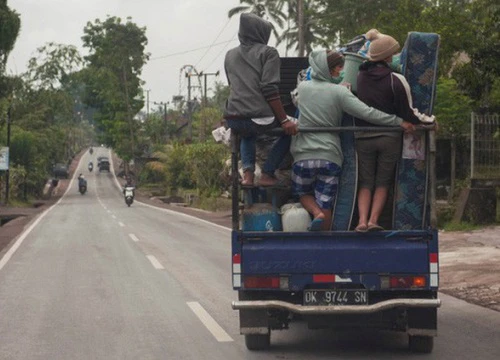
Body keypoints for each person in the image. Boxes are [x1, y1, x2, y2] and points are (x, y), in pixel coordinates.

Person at [290, 50, 416, 231]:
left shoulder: (302, 88)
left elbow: (298, 100)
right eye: (338, 68)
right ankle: (326, 236)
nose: (341, 71)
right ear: (329, 69)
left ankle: (314, 211)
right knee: (327, 203)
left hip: (302, 155)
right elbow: (367, 112)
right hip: (330, 156)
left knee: (302, 193)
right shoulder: (340, 92)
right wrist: (397, 121)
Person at [354, 35, 435, 232]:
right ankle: (374, 220)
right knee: (383, 181)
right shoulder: (396, 79)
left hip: (363, 137)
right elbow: (409, 112)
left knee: (365, 181)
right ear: (389, 56)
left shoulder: (360, 77)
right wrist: (430, 121)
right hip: (389, 138)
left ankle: (361, 221)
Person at [223, 13, 298, 187]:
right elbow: (270, 89)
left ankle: (248, 176)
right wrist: (285, 120)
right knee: (290, 132)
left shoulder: (229, 55)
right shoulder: (268, 52)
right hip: (257, 116)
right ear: (261, 33)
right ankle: (267, 172)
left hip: (233, 116)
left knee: (248, 133)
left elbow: (232, 85)